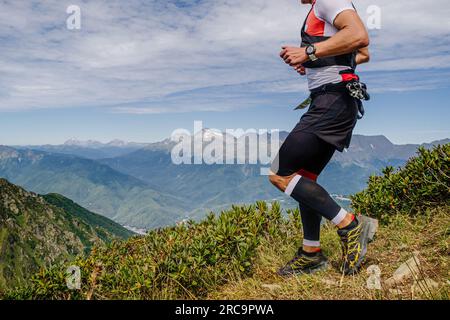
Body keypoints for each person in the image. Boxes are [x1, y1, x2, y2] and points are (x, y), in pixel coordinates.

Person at [269, 0, 371, 276]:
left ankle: (350, 224)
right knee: (304, 176)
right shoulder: (323, 8)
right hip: (336, 99)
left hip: (332, 100)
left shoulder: (328, 0)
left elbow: (360, 36)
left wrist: (309, 51)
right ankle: (311, 253)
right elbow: (361, 53)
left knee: (280, 174)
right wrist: (314, 59)